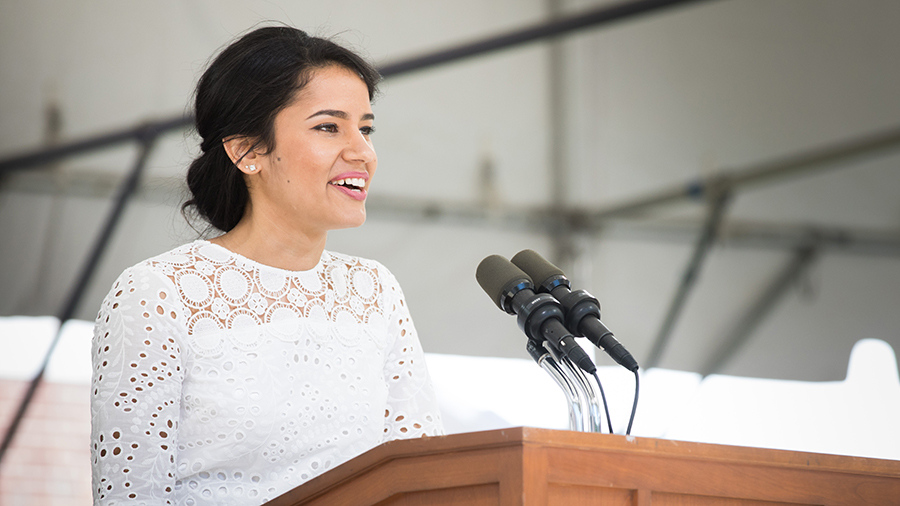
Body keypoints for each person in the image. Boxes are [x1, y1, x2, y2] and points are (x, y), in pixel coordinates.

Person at [90, 26, 443, 506]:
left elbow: (420, 476)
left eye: (366, 127)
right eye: (328, 126)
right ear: (247, 151)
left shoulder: (374, 290)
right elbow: (131, 497)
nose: (361, 151)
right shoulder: (157, 292)